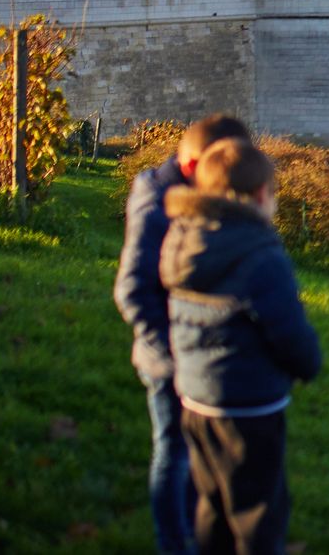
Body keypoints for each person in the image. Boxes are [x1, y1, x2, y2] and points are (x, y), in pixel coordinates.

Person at [162, 138, 322, 554]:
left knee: (212, 501)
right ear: (262, 196)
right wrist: (309, 364)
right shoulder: (262, 255)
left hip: (196, 399)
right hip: (250, 407)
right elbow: (288, 329)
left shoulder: (183, 239)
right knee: (257, 511)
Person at [115, 114, 252, 554]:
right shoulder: (157, 205)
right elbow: (133, 291)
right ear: (195, 166)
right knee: (174, 455)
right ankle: (174, 543)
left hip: (196, 361)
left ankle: (196, 535)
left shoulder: (184, 194)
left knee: (196, 459)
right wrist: (177, 354)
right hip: (169, 361)